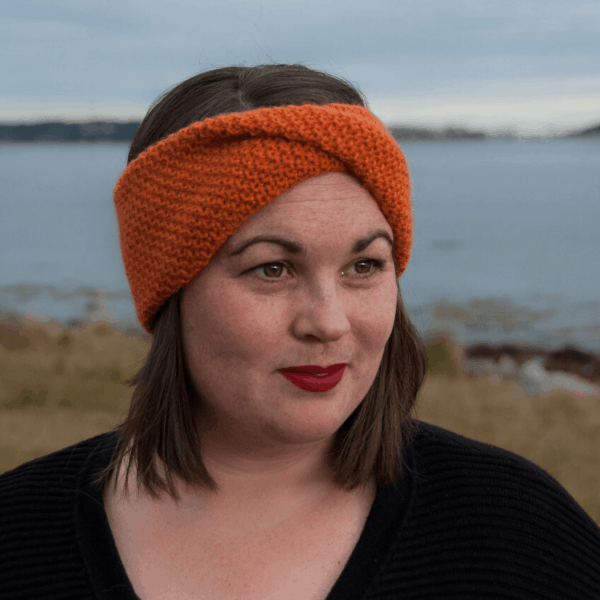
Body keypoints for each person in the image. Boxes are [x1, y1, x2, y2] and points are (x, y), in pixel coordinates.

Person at [1, 64, 599, 600]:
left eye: (365, 266)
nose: (329, 323)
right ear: (169, 290)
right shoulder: (17, 537)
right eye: (272, 268)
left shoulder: (518, 531)